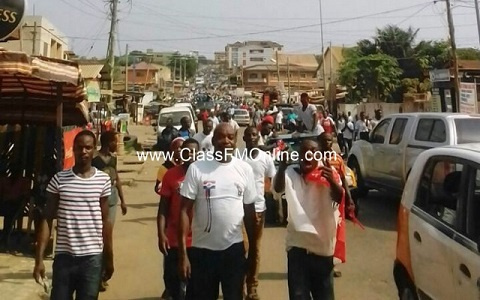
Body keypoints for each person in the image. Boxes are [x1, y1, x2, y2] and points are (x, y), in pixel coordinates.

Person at [178, 123, 258, 300]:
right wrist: (183, 254)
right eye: (221, 137)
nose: (226, 141)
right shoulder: (197, 168)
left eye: (230, 137)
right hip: (202, 252)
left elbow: (250, 214)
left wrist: (252, 252)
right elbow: (184, 211)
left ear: (236, 141)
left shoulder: (244, 170)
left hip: (233, 251)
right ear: (213, 140)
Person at [33, 130, 113, 299]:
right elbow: (47, 220)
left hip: (92, 259)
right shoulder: (59, 180)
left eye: (88, 147)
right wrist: (39, 258)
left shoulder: (103, 180)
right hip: (64, 258)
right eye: (79, 147)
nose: (83, 151)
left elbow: (105, 221)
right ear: (73, 149)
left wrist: (109, 257)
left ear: (94, 150)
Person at [273, 139, 344, 300]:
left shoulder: (328, 173)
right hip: (297, 248)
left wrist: (331, 181)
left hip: (322, 249)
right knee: (298, 295)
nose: (308, 155)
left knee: (324, 296)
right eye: (304, 152)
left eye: (312, 152)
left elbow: (339, 199)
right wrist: (282, 168)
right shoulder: (291, 173)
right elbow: (277, 189)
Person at [158, 139, 199, 300]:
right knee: (173, 284)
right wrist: (161, 234)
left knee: (196, 287)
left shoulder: (205, 176)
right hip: (174, 241)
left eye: (194, 151)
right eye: (186, 151)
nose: (190, 154)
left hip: (198, 242)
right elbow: (163, 208)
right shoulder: (170, 175)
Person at [242, 126, 276, 300]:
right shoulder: (237, 157)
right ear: (244, 139)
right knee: (242, 248)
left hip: (258, 210)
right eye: (248, 135)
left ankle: (252, 287)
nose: (251, 138)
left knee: (254, 250)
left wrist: (264, 195)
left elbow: (271, 180)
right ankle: (238, 284)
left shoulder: (266, 158)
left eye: (254, 135)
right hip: (239, 211)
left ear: (258, 137)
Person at [92, 131, 128, 291]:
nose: (117, 144)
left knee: (107, 237)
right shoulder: (95, 160)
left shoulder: (113, 159)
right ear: (108, 142)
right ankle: (98, 274)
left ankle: (103, 273)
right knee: (100, 238)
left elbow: (117, 178)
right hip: (98, 200)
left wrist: (123, 200)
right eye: (115, 141)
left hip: (112, 199)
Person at [318, 132, 356, 277]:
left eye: (330, 140)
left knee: (332, 235)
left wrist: (349, 199)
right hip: (318, 203)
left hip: (333, 204)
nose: (328, 143)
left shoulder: (337, 159)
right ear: (319, 142)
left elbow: (343, 179)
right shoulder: (314, 158)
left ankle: (330, 266)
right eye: (324, 141)